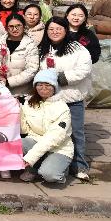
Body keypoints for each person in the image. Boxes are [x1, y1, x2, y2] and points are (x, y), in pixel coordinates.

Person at [38, 17, 93, 181]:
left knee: (76, 132)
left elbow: (84, 69)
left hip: (72, 97)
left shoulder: (78, 49)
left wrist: (62, 78)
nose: (55, 32)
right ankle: (51, 163)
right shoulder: (44, 48)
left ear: (65, 30)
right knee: (50, 132)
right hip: (51, 99)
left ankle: (79, 166)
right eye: (51, 29)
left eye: (58, 29)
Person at [19, 69, 74, 184]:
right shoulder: (29, 103)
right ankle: (34, 169)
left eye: (48, 85)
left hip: (59, 148)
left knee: (49, 174)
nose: (43, 88)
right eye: (40, 84)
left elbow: (53, 138)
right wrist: (18, 110)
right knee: (18, 144)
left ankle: (62, 171)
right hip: (36, 141)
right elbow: (24, 130)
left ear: (54, 87)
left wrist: (30, 158)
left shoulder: (62, 108)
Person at [0, 13, 39, 100]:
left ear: (24, 26)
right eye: (11, 26)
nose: (15, 29)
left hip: (22, 94)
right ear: (6, 28)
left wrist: (9, 82)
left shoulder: (30, 45)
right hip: (0, 91)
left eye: (18, 26)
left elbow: (31, 70)